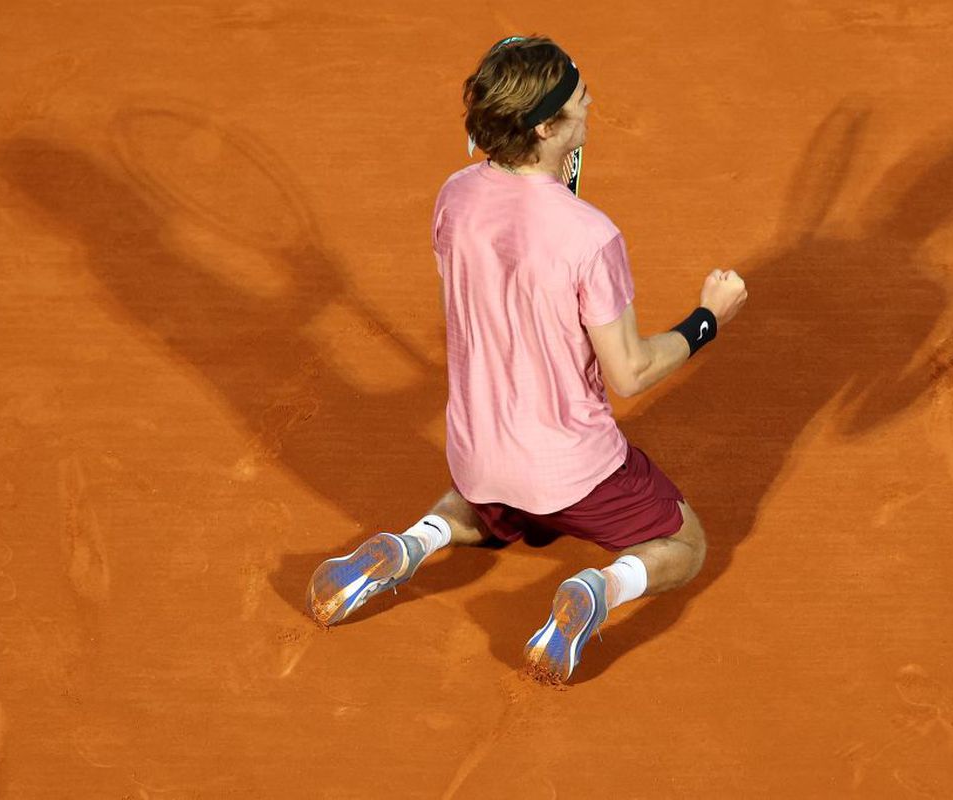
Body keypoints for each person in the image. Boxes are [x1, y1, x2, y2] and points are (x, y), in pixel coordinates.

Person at [306, 35, 748, 683]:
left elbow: (476, 304)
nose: (590, 101)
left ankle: (413, 542)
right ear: (545, 125)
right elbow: (631, 372)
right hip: (574, 473)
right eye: (577, 97)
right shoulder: (591, 237)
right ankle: (598, 590)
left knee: (489, 504)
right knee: (687, 544)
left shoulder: (453, 198)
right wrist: (707, 318)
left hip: (478, 456)